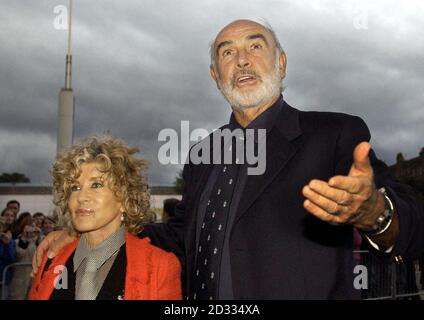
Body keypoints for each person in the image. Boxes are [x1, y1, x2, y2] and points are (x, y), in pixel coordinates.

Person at [34, 19, 424, 300]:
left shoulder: (333, 134)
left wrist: (375, 212)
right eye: (227, 52)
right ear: (214, 75)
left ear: (282, 63)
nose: (241, 60)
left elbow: (411, 220)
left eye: (255, 46)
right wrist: (95, 231)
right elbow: (181, 235)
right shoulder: (203, 154)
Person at [29, 136, 181, 300]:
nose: (81, 197)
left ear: (124, 199)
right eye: (75, 187)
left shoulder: (161, 266)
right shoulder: (52, 256)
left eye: (96, 185)